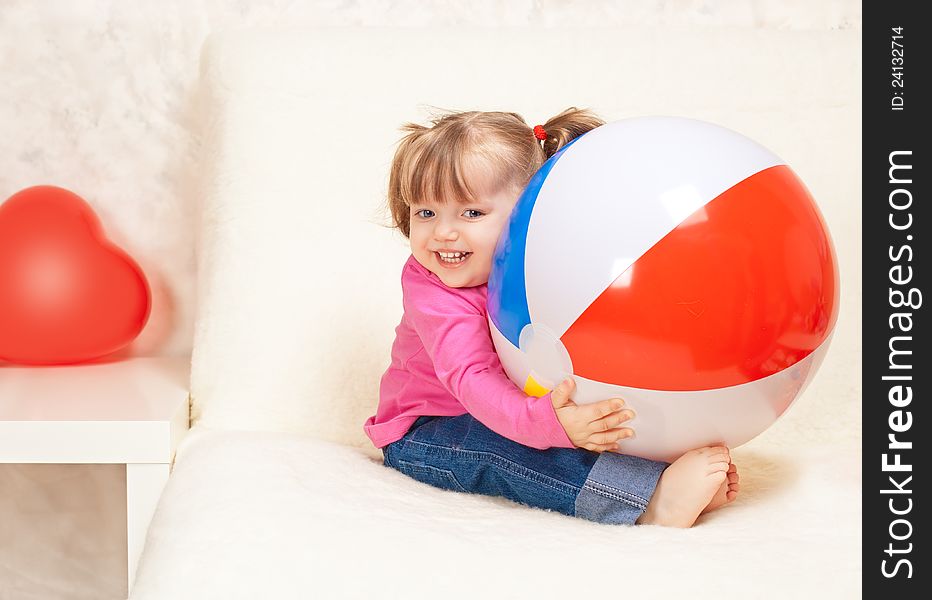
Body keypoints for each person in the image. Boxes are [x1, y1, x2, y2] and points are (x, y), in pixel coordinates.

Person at [364, 108, 739, 527]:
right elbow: (470, 377)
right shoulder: (432, 286)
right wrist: (547, 423)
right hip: (431, 431)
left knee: (574, 425)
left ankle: (655, 469)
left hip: (514, 406)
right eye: (425, 213)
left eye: (471, 213)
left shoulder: (541, 261)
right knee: (512, 452)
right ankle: (648, 500)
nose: (443, 233)